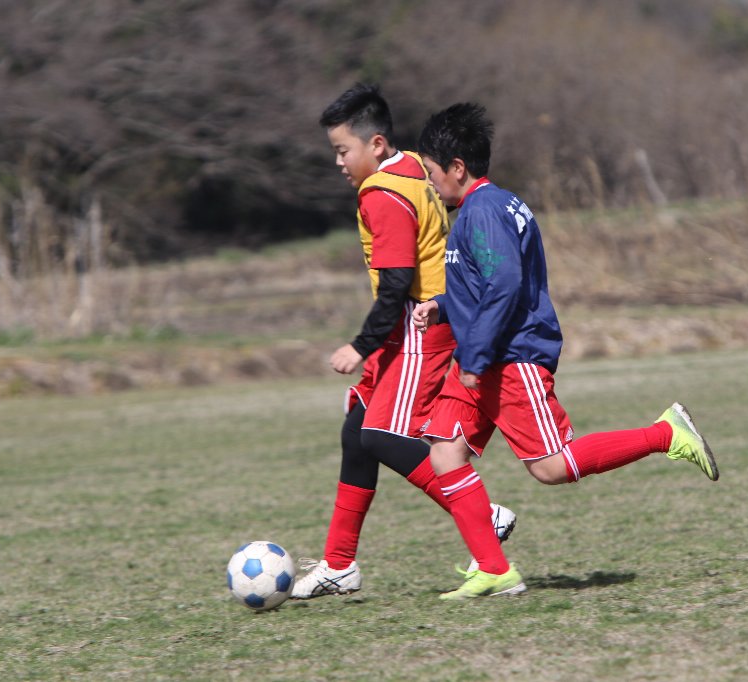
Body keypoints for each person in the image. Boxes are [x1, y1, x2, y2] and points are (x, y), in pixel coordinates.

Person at [412, 102, 719, 601]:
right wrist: (443, 307)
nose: (430, 183)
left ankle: (665, 434)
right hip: (483, 359)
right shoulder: (493, 205)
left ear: (457, 168)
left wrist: (477, 355)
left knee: (551, 467)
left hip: (507, 358)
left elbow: (506, 284)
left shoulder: (483, 211)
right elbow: (484, 283)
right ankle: (494, 569)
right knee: (445, 450)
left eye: (431, 172)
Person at [292, 85, 516, 599]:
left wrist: (360, 345)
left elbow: (396, 282)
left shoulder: (382, 194)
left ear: (375, 144)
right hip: (413, 324)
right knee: (357, 431)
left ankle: (482, 514)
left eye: (343, 150)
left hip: (418, 326)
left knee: (379, 435)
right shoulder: (413, 164)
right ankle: (339, 564)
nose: (338, 162)